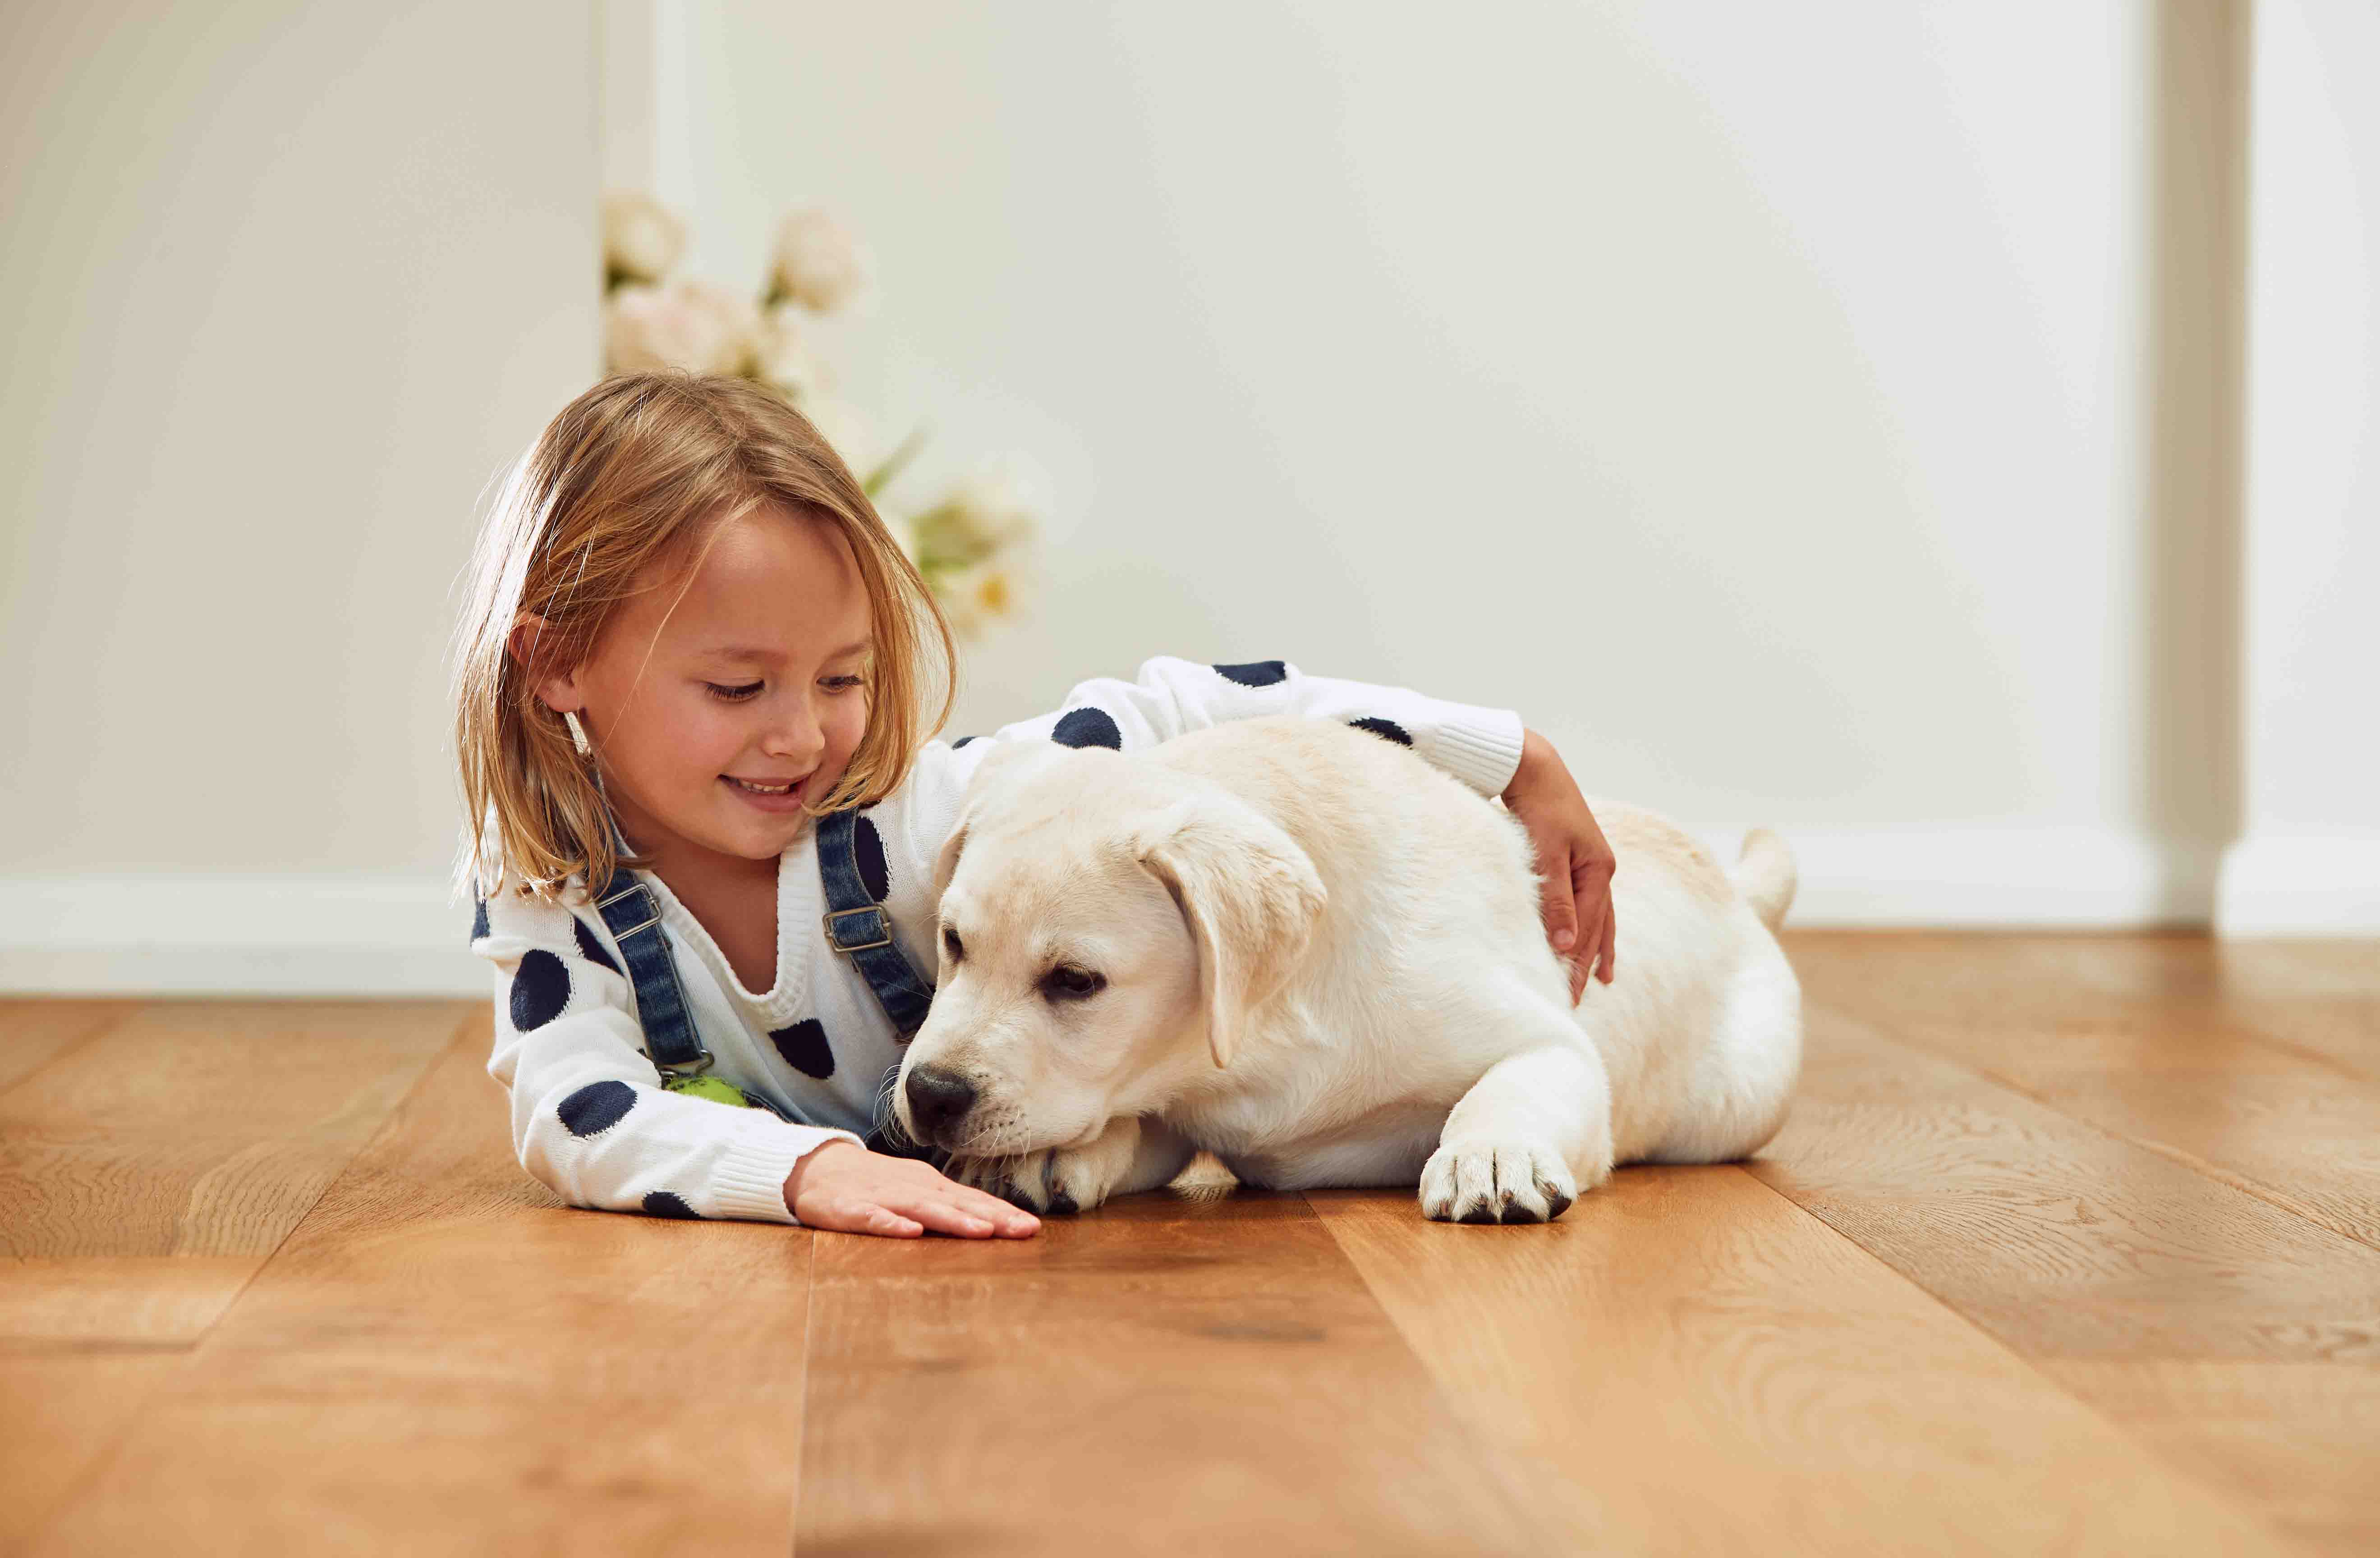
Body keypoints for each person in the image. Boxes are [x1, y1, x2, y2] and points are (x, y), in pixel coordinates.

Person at [449, 373, 1618, 1240]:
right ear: (557, 667)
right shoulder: (548, 890)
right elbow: (579, 1112)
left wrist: (1509, 755)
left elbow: (1200, 698)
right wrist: (802, 1172)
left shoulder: (936, 810)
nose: (802, 733)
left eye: (844, 678)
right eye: (738, 686)